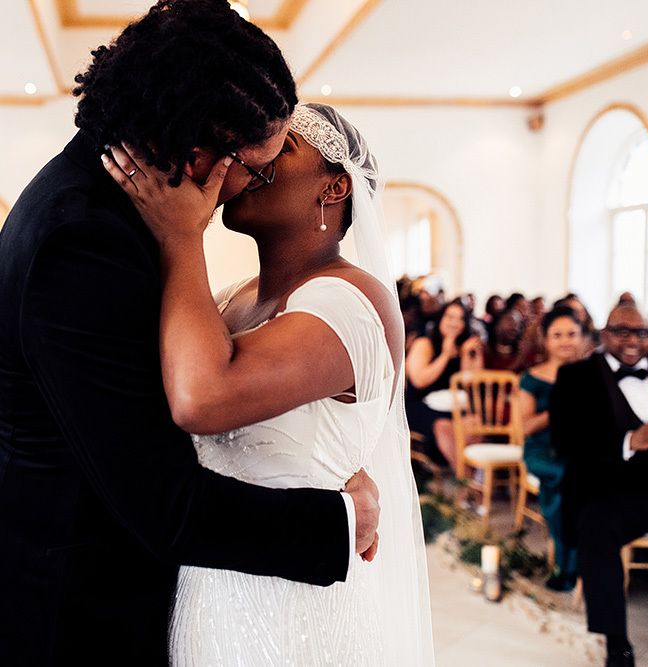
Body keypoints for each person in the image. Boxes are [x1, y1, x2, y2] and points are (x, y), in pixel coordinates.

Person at [0, 3, 379, 664]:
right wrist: (339, 522)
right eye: (255, 168)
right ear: (200, 149)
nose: (250, 187)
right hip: (77, 614)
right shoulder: (81, 239)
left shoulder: (106, 209)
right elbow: (165, 505)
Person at [104, 103, 434, 664]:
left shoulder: (350, 301)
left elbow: (202, 397)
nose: (251, 155)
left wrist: (182, 234)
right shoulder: (232, 299)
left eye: (283, 146)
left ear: (334, 188)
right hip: (210, 584)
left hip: (291, 607)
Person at [550, 305, 648, 667]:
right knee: (596, 527)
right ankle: (617, 642)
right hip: (610, 489)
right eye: (622, 331)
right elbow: (565, 442)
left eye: (642, 333)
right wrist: (630, 440)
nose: (633, 341)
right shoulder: (576, 376)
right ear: (604, 334)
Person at [519, 307, 584, 591]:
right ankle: (567, 564)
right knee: (566, 479)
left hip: (579, 450)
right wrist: (561, 404)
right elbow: (526, 427)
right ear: (545, 340)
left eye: (571, 334)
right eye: (558, 335)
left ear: (582, 337)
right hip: (542, 450)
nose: (565, 341)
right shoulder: (533, 378)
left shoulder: (591, 373)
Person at [406, 300, 484, 468]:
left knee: (475, 422)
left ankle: (465, 473)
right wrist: (445, 355)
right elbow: (419, 381)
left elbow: (470, 385)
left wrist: (467, 355)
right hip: (420, 405)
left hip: (452, 407)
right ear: (440, 319)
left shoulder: (464, 346)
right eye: (450, 317)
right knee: (444, 426)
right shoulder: (424, 343)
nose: (454, 323)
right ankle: (464, 476)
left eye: (460, 319)